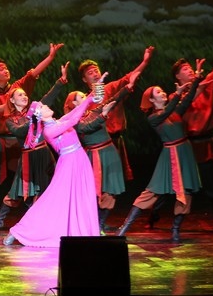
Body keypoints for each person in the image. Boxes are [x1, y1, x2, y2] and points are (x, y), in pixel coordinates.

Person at [2, 79, 108, 247]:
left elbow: (74, 114)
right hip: (68, 165)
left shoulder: (58, 121)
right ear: (40, 115)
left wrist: (92, 96)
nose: (46, 106)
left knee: (81, 197)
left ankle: (82, 232)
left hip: (80, 161)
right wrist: (89, 99)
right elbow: (74, 120)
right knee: (52, 200)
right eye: (43, 107)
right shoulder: (49, 130)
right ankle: (19, 231)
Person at [0, 43, 64, 229]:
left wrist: (50, 57)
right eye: (1, 69)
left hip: (20, 144)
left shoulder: (16, 88)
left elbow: (33, 74)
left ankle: (31, 217)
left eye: (6, 68)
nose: (6, 70)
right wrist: (11, 103)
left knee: (25, 180)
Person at [116, 66, 204, 242]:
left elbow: (187, 101)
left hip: (184, 153)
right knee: (152, 192)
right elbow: (168, 111)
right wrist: (177, 94)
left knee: (186, 191)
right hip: (169, 156)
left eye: (163, 91)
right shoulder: (153, 118)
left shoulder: (174, 110)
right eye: (158, 92)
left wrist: (195, 81)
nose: (163, 93)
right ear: (151, 99)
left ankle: (175, 229)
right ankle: (124, 227)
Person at [0, 63, 69, 235]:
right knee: (17, 191)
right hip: (28, 158)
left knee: (46, 189)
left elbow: (48, 98)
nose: (24, 96)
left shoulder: (35, 109)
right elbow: (20, 131)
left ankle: (40, 224)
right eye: (19, 95)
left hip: (43, 154)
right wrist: (33, 117)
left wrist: (60, 82)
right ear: (12, 100)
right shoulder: (10, 119)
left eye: (24, 94)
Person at [172, 31, 213, 231]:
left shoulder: (205, 85)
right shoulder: (177, 96)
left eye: (190, 68)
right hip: (186, 145)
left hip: (205, 144)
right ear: (177, 76)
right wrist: (196, 83)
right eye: (185, 69)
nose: (189, 70)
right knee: (178, 186)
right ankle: (158, 218)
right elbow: (189, 99)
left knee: (212, 185)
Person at [71, 69, 140, 234]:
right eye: (80, 97)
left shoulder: (93, 111)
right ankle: (91, 223)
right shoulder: (74, 120)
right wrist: (103, 115)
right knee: (94, 192)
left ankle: (100, 223)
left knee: (112, 189)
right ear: (73, 104)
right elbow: (87, 127)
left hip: (110, 153)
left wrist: (128, 86)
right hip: (94, 156)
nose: (85, 98)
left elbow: (112, 100)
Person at [76, 46, 154, 183]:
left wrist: (145, 62)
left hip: (115, 140)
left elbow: (130, 78)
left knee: (116, 180)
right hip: (98, 146)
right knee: (101, 180)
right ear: (84, 79)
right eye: (90, 73)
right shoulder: (84, 100)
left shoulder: (111, 88)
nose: (95, 74)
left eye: (96, 70)